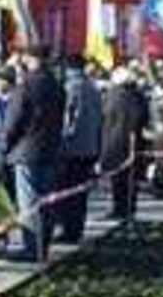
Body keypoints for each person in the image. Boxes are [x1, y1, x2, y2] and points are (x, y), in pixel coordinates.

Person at [0, 47, 64, 263]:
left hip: (26, 152)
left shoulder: (26, 86)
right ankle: (43, 245)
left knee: (29, 202)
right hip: (50, 150)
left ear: (30, 58)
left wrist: (5, 145)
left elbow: (14, 120)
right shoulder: (56, 85)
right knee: (46, 201)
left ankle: (31, 247)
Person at [55, 59, 103, 245]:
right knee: (81, 193)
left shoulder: (70, 88)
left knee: (67, 191)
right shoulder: (93, 88)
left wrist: (62, 139)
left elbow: (67, 120)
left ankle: (68, 229)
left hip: (71, 148)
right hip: (89, 147)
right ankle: (77, 228)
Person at [100, 67, 147, 224]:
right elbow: (141, 119)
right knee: (128, 179)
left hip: (114, 142)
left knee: (118, 179)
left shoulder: (113, 95)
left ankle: (120, 207)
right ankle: (126, 207)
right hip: (130, 142)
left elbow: (105, 117)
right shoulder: (137, 96)